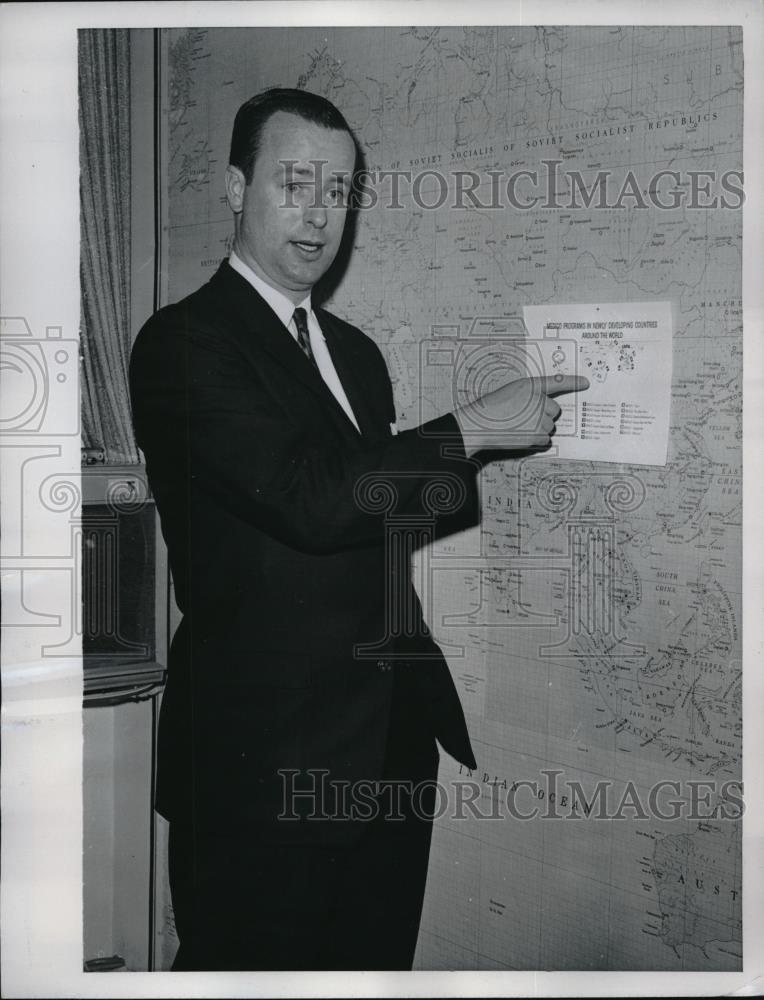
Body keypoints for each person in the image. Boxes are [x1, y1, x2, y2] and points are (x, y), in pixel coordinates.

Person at [129, 87, 587, 972]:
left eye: (338, 192)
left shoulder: (358, 354)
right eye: (295, 184)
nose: (319, 214)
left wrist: (465, 455)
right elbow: (309, 497)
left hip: (386, 751)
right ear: (234, 186)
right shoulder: (182, 344)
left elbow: (377, 517)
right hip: (262, 773)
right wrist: (468, 431)